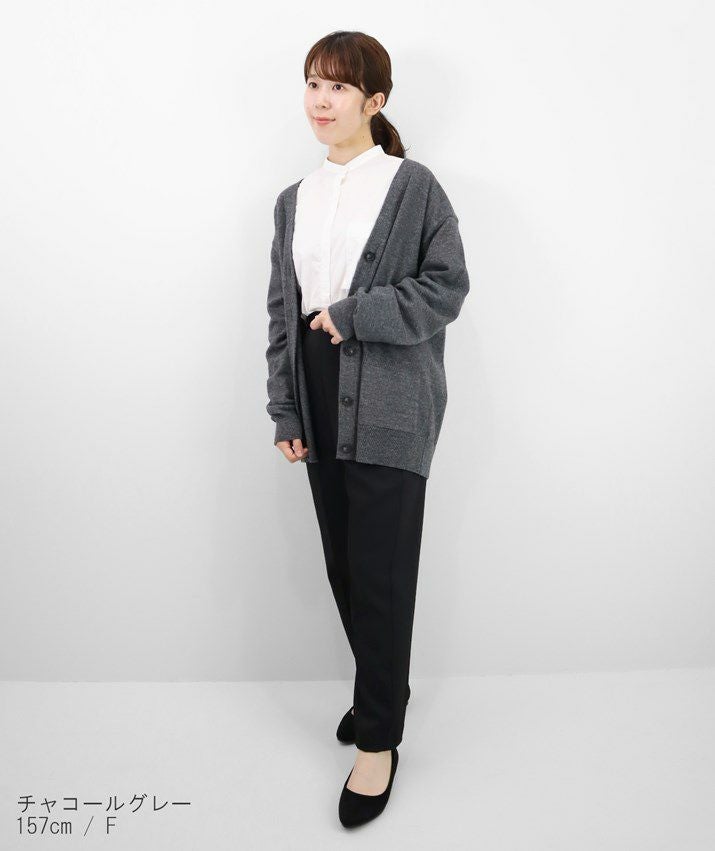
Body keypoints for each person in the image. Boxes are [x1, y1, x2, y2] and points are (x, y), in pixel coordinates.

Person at [265, 30, 470, 828]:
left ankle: (378, 737)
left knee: (379, 573)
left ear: (373, 101)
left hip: (388, 394)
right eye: (313, 83)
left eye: (339, 87)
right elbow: (282, 316)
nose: (321, 100)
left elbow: (446, 286)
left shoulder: (413, 187)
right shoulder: (292, 199)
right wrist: (285, 406)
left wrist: (356, 314)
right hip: (317, 394)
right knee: (346, 568)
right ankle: (382, 688)